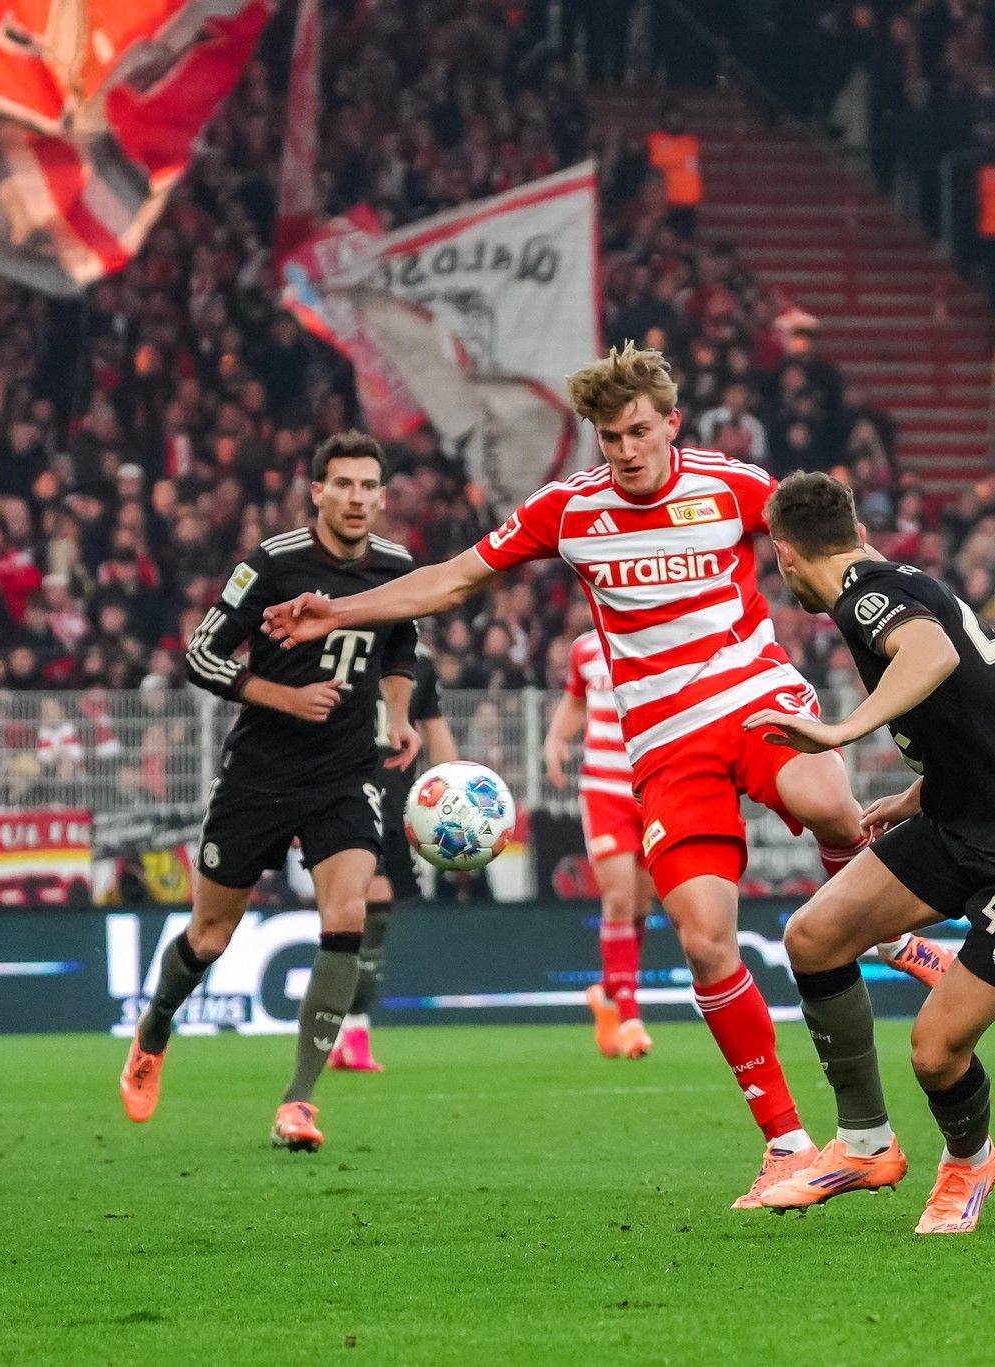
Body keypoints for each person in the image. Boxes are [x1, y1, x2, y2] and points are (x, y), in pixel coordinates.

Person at [263, 344, 946, 1206]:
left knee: (832, 804)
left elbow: (846, 555)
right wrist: (341, 606)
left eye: (636, 431)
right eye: (607, 435)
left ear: (671, 425)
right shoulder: (567, 510)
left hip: (754, 698)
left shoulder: (735, 486)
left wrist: (949, 623)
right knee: (704, 936)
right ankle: (785, 1143)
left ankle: (882, 932)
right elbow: (455, 580)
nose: (623, 450)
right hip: (665, 742)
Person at [745, 472, 995, 1235]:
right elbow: (976, 703)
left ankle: (969, 1164)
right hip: (959, 816)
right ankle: (865, 1143)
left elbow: (933, 656)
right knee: (812, 936)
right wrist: (911, 796)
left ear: (784, 556)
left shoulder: (866, 597)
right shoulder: (902, 579)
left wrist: (840, 731)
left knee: (935, 1052)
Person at [119, 432, 422, 1153]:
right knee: (210, 936)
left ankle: (298, 1102)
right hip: (260, 772)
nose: (355, 497)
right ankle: (154, 1028)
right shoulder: (274, 563)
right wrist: (283, 698)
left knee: (346, 913)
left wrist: (400, 714)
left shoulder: (396, 567)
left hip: (346, 772)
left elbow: (402, 645)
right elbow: (200, 653)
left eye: (367, 485)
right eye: (342, 484)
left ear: (382, 495)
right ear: (316, 491)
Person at [328, 644, 459, 1073]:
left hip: (399, 808)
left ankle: (348, 1031)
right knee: (368, 906)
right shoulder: (344, 651)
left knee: (368, 922)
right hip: (347, 798)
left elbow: (436, 732)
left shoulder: (418, 663)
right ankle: (351, 1033)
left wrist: (456, 791)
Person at [545, 628, 657, 1060]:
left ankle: (609, 993)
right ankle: (630, 1016)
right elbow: (575, 699)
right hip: (604, 789)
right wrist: (556, 738)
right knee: (618, 900)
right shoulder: (585, 648)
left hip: (651, 788)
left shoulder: (662, 636)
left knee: (642, 906)